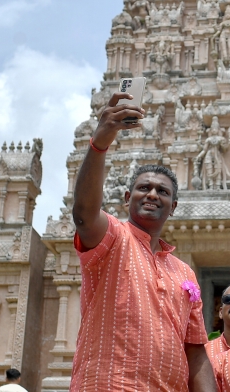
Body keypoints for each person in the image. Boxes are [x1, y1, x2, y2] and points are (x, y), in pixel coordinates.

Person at [71, 91, 216, 392]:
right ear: (127, 199)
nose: (152, 194)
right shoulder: (112, 238)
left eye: (162, 192)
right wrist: (100, 144)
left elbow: (196, 350)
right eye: (143, 188)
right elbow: (84, 214)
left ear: (173, 206)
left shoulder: (184, 273)